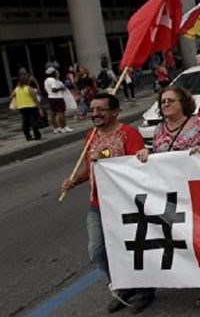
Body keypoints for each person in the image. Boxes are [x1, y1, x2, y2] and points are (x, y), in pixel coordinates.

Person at [136, 86, 200, 307]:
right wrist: (147, 154)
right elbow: (158, 157)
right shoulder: (158, 131)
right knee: (188, 240)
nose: (165, 104)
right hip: (174, 195)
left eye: (170, 101)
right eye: (163, 101)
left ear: (183, 102)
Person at [61, 93, 148, 312]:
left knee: (134, 248)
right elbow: (91, 168)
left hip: (125, 204)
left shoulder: (129, 134)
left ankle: (145, 289)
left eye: (101, 109)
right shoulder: (91, 136)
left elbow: (136, 167)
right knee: (97, 251)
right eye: (93, 109)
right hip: (98, 204)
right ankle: (122, 286)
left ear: (115, 111)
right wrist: (74, 181)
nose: (96, 113)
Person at [11, 71, 43, 141]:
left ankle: (28, 137)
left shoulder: (17, 89)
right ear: (27, 81)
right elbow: (35, 100)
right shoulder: (29, 88)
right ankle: (37, 136)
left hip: (22, 108)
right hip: (31, 107)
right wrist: (40, 109)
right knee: (34, 122)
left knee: (25, 122)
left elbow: (11, 96)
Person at [44, 67, 72, 134]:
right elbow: (53, 90)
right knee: (61, 113)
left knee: (53, 114)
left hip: (50, 98)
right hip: (57, 97)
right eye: (55, 72)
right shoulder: (53, 80)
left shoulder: (46, 80)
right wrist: (61, 88)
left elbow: (46, 90)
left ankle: (56, 128)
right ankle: (64, 127)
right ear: (53, 73)